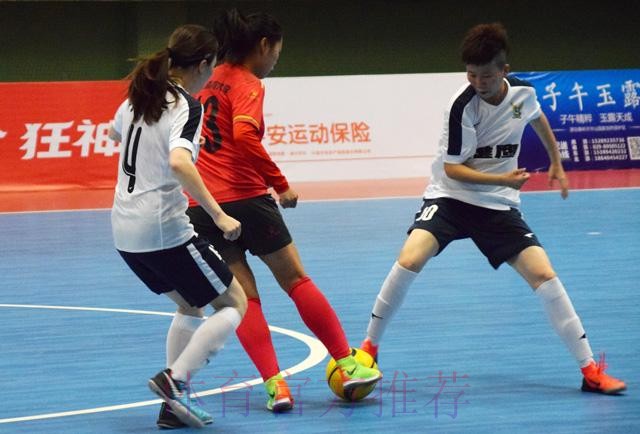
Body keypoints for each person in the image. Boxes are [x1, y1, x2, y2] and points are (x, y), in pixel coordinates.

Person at [360, 23, 626, 395]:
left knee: (544, 274)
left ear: (504, 70)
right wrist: (503, 179)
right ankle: (369, 348)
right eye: (471, 74)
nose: (478, 82)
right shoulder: (461, 106)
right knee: (410, 258)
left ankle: (590, 370)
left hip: (497, 205)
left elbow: (538, 119)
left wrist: (556, 161)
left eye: (485, 75)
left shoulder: (523, 93)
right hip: (450, 197)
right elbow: (453, 169)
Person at [185, 8, 382, 413]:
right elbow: (244, 134)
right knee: (295, 280)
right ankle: (347, 364)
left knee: (244, 299)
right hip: (246, 199)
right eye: (277, 50)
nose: (276, 59)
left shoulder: (205, 82)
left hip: (203, 205)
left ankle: (276, 386)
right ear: (263, 45)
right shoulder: (247, 83)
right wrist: (280, 183)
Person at [109, 24, 249, 429]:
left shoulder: (138, 97)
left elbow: (115, 133)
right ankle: (175, 380)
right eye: (213, 65)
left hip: (125, 232)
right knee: (233, 303)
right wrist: (219, 215)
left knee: (190, 304)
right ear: (203, 64)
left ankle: (173, 407)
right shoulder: (186, 105)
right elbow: (179, 162)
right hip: (163, 229)